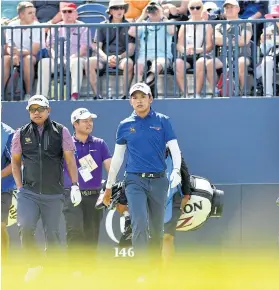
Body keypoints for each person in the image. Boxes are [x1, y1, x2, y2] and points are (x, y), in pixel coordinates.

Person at [103, 82, 182, 278]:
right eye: (135, 97)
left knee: (157, 228)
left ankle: (154, 268)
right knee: (138, 222)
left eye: (142, 96)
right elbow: (118, 157)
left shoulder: (163, 121)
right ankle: (142, 269)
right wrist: (109, 185)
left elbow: (174, 148)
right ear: (130, 101)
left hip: (159, 181)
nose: (139, 100)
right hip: (134, 181)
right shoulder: (124, 125)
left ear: (150, 99)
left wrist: (178, 170)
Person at [11, 95, 80, 282]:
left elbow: (70, 160)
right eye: (32, 109)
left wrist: (75, 185)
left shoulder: (61, 131)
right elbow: (15, 163)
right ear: (29, 112)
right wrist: (19, 188)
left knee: (53, 234)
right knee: (25, 228)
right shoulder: (20, 133)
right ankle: (34, 264)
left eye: (40, 109)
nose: (36, 112)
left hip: (54, 193)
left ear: (48, 110)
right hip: (29, 192)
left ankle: (54, 272)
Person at [115, 148, 192, 266]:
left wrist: (186, 195)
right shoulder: (141, 152)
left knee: (167, 237)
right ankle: (149, 269)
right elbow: (131, 176)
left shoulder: (174, 152)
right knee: (151, 235)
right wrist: (123, 199)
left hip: (172, 198)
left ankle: (164, 273)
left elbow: (184, 173)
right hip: (149, 198)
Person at [63, 108, 112, 269]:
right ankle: (75, 270)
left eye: (91, 120)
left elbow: (109, 167)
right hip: (72, 195)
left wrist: (109, 187)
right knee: (75, 231)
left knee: (91, 235)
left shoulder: (100, 143)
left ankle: (89, 272)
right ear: (75, 124)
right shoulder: (65, 144)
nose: (89, 123)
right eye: (85, 121)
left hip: (94, 196)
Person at [89, 0, 135, 100]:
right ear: (110, 11)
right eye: (116, 8)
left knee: (129, 63)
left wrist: (119, 57)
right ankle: (97, 96)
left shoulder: (130, 26)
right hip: (104, 58)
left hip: (121, 58)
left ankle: (125, 96)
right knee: (89, 62)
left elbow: (131, 49)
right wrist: (106, 58)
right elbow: (97, 47)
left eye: (121, 8)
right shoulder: (102, 25)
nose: (119, 10)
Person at [175, 0, 213, 98]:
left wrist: (197, 50)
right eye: (192, 8)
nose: (195, 10)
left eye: (198, 7)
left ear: (202, 9)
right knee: (178, 63)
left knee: (200, 63)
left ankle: (196, 94)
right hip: (187, 55)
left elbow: (209, 46)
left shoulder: (207, 25)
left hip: (202, 54)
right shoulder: (184, 25)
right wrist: (185, 50)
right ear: (189, 9)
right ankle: (185, 95)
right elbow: (179, 45)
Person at [1, 122, 16, 264]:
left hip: (3, 189)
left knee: (0, 227)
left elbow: (15, 162)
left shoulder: (8, 133)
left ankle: (3, 264)